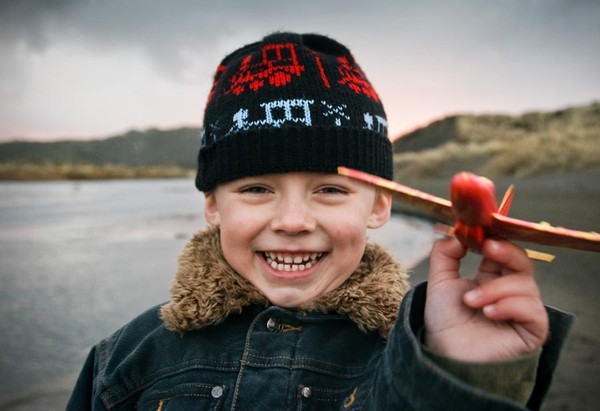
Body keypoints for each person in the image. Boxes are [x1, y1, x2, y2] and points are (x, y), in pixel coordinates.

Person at [67, 32, 573, 410]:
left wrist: (467, 376)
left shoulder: (416, 357)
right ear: (213, 206)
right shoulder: (128, 358)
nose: (291, 221)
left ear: (378, 205)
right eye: (256, 189)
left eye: (330, 190)